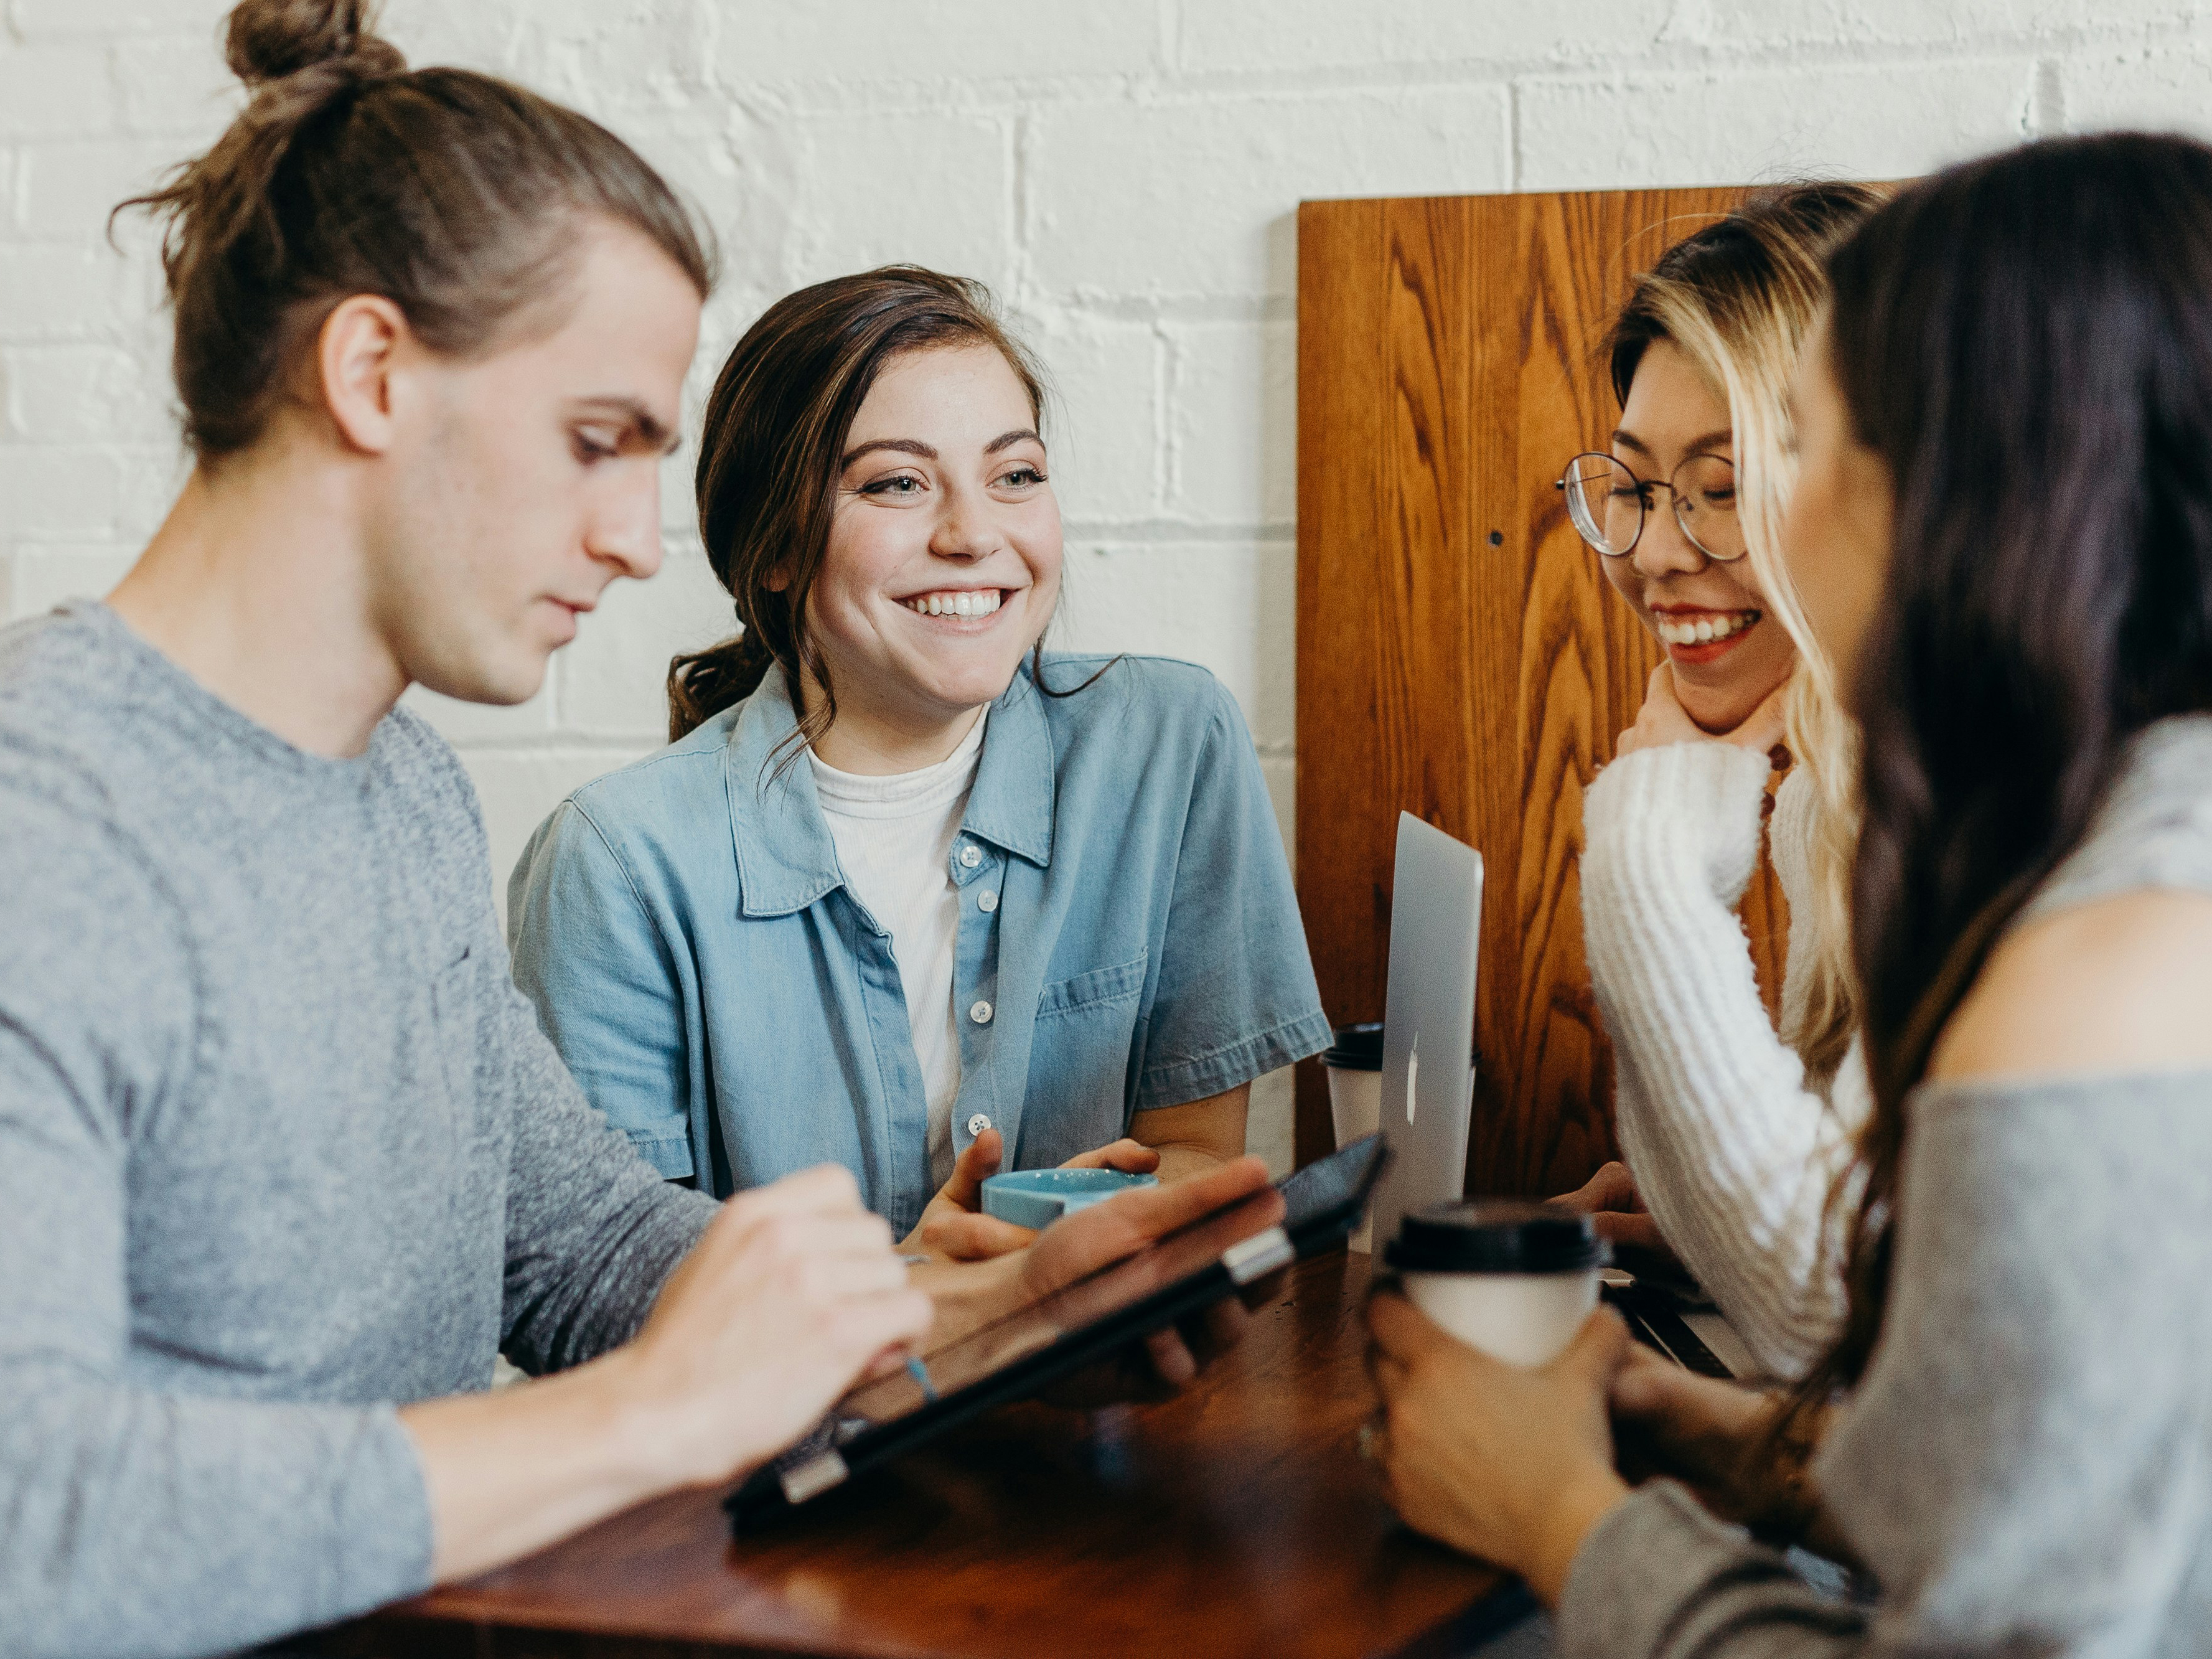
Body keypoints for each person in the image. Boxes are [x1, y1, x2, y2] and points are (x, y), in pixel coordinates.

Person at [0, 9, 1276, 1657]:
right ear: (372, 373)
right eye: (595, 442)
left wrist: (948, 1321)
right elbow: (31, 1519)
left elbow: (585, 1242)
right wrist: (655, 1416)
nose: (628, 539)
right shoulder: (48, 822)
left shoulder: (396, 787)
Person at [1369, 131, 2212, 1653]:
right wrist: (1740, 1450)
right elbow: (2048, 1505)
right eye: (1641, 485)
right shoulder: (2118, 844)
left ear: (1985, 488)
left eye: (1792, 450)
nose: (1695, 541)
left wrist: (1564, 1518)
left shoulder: (2107, 963)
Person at [507, 266, 1331, 1254]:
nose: (974, 534)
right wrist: (927, 1292)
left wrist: (1068, 1242)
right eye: (897, 482)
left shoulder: (1168, 744)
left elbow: (1195, 1152)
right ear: (770, 547)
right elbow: (615, 1287)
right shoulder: (615, 862)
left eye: (1014, 474)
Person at [1554, 184, 1883, 1379]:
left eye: (1723, 483)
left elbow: (1823, 1314)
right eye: (1635, 485)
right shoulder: (1831, 796)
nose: (1651, 551)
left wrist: (1645, 852)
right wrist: (1699, 1212)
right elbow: (1850, 1267)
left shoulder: (1966, 810)